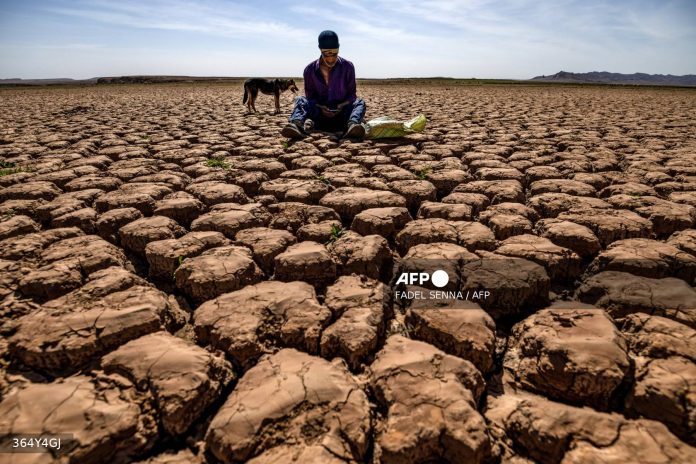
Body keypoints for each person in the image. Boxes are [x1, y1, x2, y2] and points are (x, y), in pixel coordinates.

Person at [281, 30, 366, 140]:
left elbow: (351, 95)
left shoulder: (348, 67)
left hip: (342, 116)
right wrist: (321, 107)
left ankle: (353, 126)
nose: (330, 59)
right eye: (326, 54)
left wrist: (341, 105)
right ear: (320, 49)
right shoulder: (309, 70)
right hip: (319, 116)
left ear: (339, 48)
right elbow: (310, 97)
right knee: (301, 100)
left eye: (334, 54)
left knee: (360, 102)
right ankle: (296, 125)